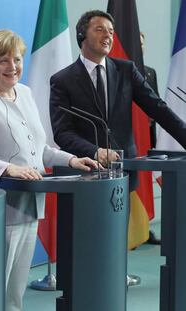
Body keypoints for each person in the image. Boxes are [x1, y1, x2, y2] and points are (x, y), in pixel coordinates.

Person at [0, 29, 98, 311]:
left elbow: (39, 148)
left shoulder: (25, 93)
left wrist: (72, 160)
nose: (13, 67)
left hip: (30, 204)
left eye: (17, 60)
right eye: (3, 60)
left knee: (14, 291)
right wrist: (12, 169)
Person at [50, 10, 186, 285]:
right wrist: (94, 150)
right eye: (100, 30)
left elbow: (157, 108)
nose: (108, 35)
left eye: (111, 31)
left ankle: (113, 278)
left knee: (115, 234)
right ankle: (87, 285)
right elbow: (62, 133)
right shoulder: (62, 80)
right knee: (87, 238)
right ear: (81, 36)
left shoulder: (125, 70)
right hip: (85, 173)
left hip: (122, 170)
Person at [140, 31, 161, 245]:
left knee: (146, 181)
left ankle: (145, 229)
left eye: (142, 43)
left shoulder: (149, 72)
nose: (140, 47)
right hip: (127, 139)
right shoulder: (116, 70)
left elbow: (156, 104)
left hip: (147, 136)